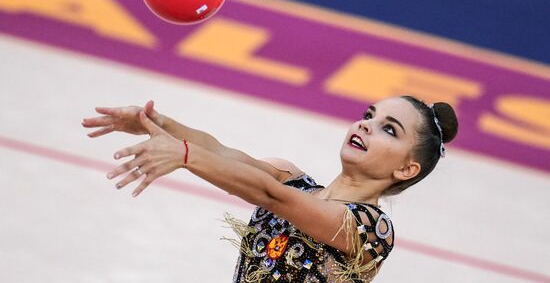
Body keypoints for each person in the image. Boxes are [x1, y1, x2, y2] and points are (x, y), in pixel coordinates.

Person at [82, 95, 458, 283]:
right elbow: (222, 153)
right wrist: (156, 123)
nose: (365, 126)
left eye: (389, 129)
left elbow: (270, 197)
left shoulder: (371, 230)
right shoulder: (289, 177)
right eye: (368, 116)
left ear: (407, 169)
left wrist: (182, 154)